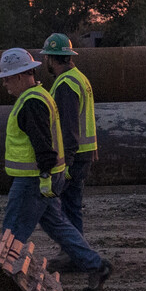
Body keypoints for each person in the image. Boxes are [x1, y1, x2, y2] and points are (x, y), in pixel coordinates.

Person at [0, 47, 113, 291]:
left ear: (20, 76)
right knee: (59, 227)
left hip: (33, 180)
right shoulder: (40, 95)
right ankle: (96, 266)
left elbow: (43, 146)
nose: (5, 84)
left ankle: (1, 278)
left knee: (13, 231)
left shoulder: (31, 102)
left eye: (7, 79)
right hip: (46, 178)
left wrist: (44, 175)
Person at [40, 33, 98, 236]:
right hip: (83, 153)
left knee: (68, 209)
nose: (45, 61)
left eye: (46, 57)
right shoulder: (79, 78)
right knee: (71, 207)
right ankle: (74, 252)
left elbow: (68, 128)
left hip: (74, 156)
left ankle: (75, 254)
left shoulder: (66, 84)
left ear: (51, 58)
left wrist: (65, 164)